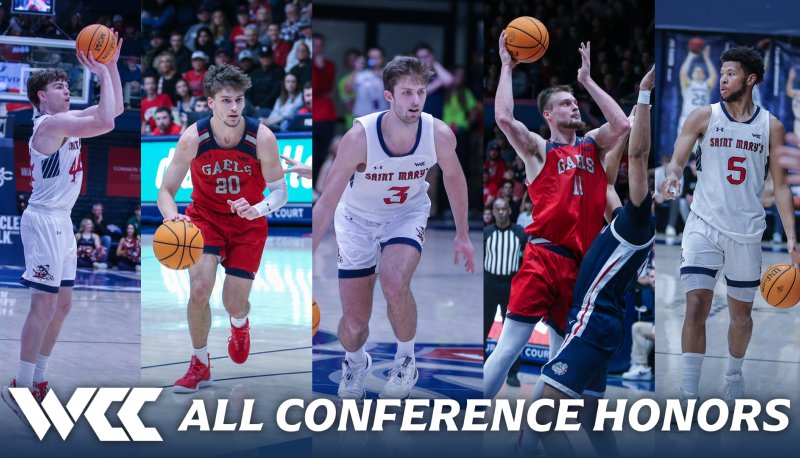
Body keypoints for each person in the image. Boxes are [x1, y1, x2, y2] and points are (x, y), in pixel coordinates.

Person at [312, 55, 474, 400]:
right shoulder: (359, 137)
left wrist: (462, 235)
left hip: (406, 214)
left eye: (421, 92)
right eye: (406, 93)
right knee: (355, 322)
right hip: (356, 220)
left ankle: (405, 361)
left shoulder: (438, 134)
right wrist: (307, 250)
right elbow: (326, 201)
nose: (415, 100)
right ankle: (355, 361)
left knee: (395, 281)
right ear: (388, 96)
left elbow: (455, 179)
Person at [483, 34, 631, 401]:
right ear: (548, 115)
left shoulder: (593, 145)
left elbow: (623, 126)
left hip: (581, 267)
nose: (574, 107)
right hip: (543, 258)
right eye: (566, 103)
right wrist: (506, 67)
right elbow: (504, 118)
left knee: (560, 360)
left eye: (575, 102)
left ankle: (534, 432)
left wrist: (587, 81)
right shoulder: (538, 149)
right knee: (508, 349)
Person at [660, 46, 798, 402]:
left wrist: (791, 239)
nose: (722, 80)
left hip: (746, 232)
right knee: (696, 304)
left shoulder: (771, 127)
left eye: (731, 74)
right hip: (703, 225)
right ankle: (689, 391)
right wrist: (672, 176)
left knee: (741, 316)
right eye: (721, 74)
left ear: (750, 79)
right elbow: (677, 161)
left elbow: (781, 185)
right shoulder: (702, 116)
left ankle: (733, 375)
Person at [535, 66, 656, 457]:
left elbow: (638, 155)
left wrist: (643, 96)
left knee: (542, 419)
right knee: (592, 418)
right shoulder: (621, 220)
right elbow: (604, 180)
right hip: (604, 325)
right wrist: (622, 129)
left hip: (591, 322)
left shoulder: (638, 222)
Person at [2, 33, 123, 416]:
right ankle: (20, 384)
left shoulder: (66, 121)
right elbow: (106, 120)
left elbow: (116, 110)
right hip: (43, 220)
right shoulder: (49, 126)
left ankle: (39, 377)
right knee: (44, 306)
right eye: (59, 86)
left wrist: (112, 67)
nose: (67, 90)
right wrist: (101, 73)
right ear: (41, 96)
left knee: (64, 306)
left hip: (62, 221)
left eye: (68, 85)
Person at [157, 64, 287, 393]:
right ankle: (200, 364)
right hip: (206, 219)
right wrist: (172, 217)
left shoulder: (262, 137)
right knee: (199, 291)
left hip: (249, 224)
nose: (234, 107)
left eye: (239, 100)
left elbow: (280, 193)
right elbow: (166, 192)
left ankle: (239, 323)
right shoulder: (193, 138)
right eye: (226, 100)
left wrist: (257, 208)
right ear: (211, 102)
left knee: (233, 303)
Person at [483, 198, 527, 387]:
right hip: (489, 284)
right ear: (493, 212)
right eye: (497, 209)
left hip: (511, 286)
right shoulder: (486, 233)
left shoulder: (519, 232)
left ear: (509, 210)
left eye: (504, 209)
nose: (501, 212)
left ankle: (513, 373)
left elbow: (526, 257)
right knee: (483, 327)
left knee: (511, 332)